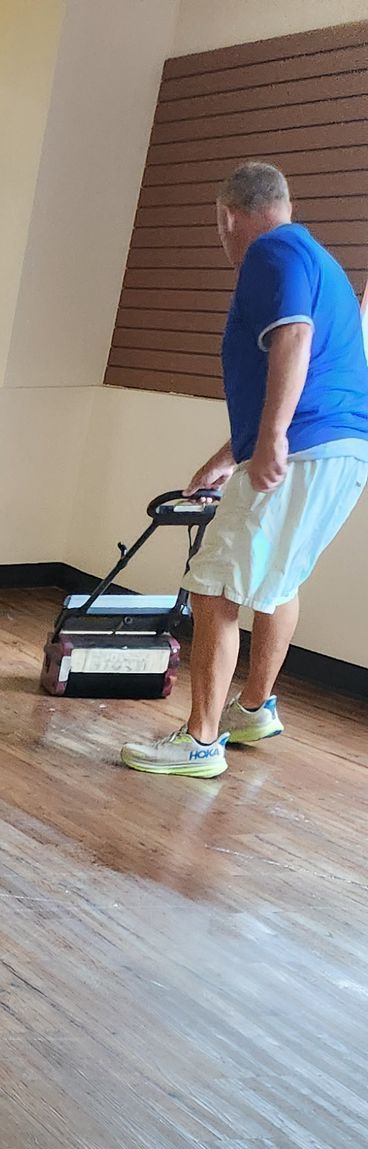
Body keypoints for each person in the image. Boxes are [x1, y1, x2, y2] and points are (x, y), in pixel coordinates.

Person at [122, 162, 368, 777]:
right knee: (277, 582)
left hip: (305, 444)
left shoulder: (269, 252)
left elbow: (293, 338)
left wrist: (273, 437)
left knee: (212, 587)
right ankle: (253, 708)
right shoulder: (317, 258)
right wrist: (227, 455)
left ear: (229, 216)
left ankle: (200, 741)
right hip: (343, 449)